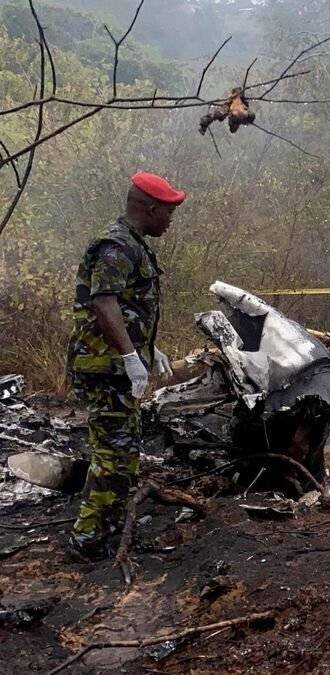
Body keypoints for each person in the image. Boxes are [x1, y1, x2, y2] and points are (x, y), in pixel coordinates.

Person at [66, 171, 185, 558]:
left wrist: (149, 349)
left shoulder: (134, 245)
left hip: (115, 366)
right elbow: (104, 302)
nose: (171, 220)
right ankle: (87, 541)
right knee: (114, 456)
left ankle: (110, 533)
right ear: (148, 208)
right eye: (168, 211)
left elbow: (130, 307)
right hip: (105, 369)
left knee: (123, 454)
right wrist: (130, 357)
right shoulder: (115, 246)